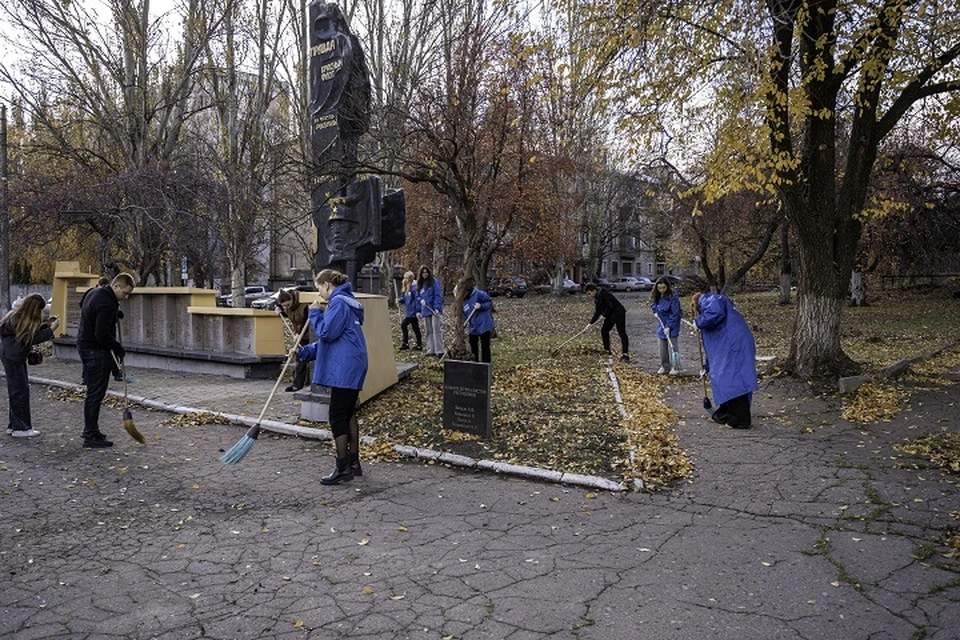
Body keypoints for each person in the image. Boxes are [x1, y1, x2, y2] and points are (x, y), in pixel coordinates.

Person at [293, 269, 368, 485]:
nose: (319, 294)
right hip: (352, 363)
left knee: (336, 415)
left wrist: (315, 313)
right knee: (347, 413)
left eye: (319, 288)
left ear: (327, 284)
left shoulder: (338, 303)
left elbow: (326, 333)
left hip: (345, 366)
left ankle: (342, 467)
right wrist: (302, 352)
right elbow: (331, 342)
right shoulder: (347, 302)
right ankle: (353, 463)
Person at [77, 273, 135, 448]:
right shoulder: (107, 303)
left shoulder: (94, 292)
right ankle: (90, 434)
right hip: (96, 351)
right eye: (125, 293)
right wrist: (117, 348)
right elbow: (101, 334)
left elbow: (84, 305)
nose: (126, 297)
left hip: (84, 345)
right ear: (116, 286)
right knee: (95, 394)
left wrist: (114, 313)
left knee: (93, 393)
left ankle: (92, 430)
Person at [692, 292, 758, 429]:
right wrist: (707, 367)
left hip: (733, 344)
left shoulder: (708, 300)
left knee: (732, 379)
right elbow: (712, 349)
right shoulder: (716, 306)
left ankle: (740, 419)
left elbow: (715, 312)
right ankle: (727, 412)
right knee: (728, 378)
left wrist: (699, 322)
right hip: (733, 343)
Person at [1, 294, 59, 437]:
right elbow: (30, 338)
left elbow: (29, 333)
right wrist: (51, 330)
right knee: (20, 391)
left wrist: (45, 325)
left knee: (17, 390)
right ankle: (21, 427)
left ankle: (14, 424)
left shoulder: (16, 316)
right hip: (14, 356)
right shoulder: (18, 318)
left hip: (11, 354)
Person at [584, 283, 629, 362]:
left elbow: (610, 306)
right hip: (610, 315)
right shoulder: (597, 298)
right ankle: (607, 350)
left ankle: (625, 354)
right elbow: (597, 312)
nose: (589, 296)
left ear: (593, 290)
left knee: (621, 333)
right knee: (604, 330)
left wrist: (604, 315)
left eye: (589, 293)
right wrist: (590, 323)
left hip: (618, 313)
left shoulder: (604, 293)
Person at [277, 288, 311, 392]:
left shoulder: (303, 305)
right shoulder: (287, 307)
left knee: (311, 359)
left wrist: (300, 333)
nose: (287, 307)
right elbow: (289, 315)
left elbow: (307, 321)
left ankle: (310, 383)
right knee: (300, 359)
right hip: (300, 336)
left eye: (288, 304)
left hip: (310, 335)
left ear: (291, 299)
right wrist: (280, 311)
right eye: (284, 306)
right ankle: (298, 384)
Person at [455, 276, 494, 363]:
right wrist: (464, 322)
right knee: (473, 345)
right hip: (473, 326)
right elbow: (464, 312)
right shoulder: (463, 300)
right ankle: (475, 364)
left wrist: (481, 306)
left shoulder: (479, 294)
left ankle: (486, 365)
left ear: (467, 290)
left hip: (484, 324)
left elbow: (489, 302)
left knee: (485, 346)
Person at [650, 277, 683, 374]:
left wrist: (669, 326)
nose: (662, 290)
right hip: (661, 323)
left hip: (672, 323)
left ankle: (676, 366)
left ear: (667, 287)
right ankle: (664, 366)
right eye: (659, 288)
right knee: (662, 346)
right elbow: (653, 304)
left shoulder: (673, 297)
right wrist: (655, 311)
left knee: (673, 345)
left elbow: (675, 313)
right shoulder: (657, 295)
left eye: (664, 288)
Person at [417, 265, 444, 357]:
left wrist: (437, 307)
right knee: (428, 330)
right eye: (423, 273)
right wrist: (420, 301)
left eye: (426, 272)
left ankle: (439, 350)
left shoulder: (434, 282)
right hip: (425, 310)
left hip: (434, 310)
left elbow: (437, 295)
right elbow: (417, 296)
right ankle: (430, 349)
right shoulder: (420, 284)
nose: (425, 274)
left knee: (436, 329)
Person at [398, 271, 422, 350]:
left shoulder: (414, 288)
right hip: (408, 311)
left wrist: (418, 310)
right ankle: (419, 344)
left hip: (412, 312)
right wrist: (400, 300)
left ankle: (406, 343)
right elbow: (406, 299)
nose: (404, 280)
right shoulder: (407, 288)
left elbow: (417, 299)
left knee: (404, 325)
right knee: (415, 327)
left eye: (406, 278)